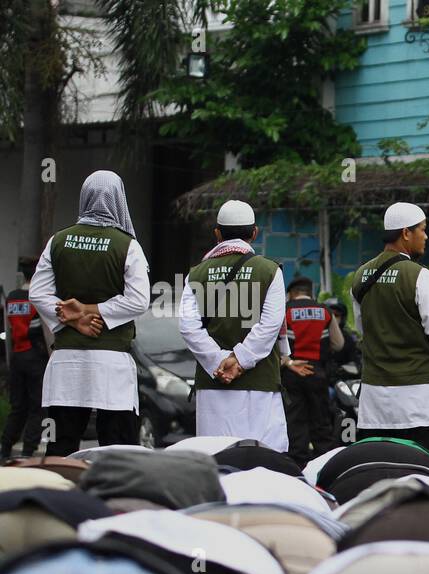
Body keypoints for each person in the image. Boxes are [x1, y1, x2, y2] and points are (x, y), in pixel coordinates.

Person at [28, 170, 150, 455]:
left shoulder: (58, 241)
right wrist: (93, 312)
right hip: (112, 365)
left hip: (67, 362)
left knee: (61, 448)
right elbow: (139, 301)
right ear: (120, 200)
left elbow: (38, 293)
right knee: (119, 449)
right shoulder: (128, 246)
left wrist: (75, 317)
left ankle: (58, 497)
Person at [178, 200, 289, 452]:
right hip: (259, 385)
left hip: (214, 387)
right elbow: (270, 325)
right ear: (254, 233)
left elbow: (188, 327)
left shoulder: (195, 274)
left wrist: (218, 361)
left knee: (217, 459)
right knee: (263, 459)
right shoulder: (270, 270)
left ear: (217, 233)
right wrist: (240, 360)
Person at [349, 202, 429, 456]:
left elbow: (363, 327)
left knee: (378, 470)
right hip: (417, 403)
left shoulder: (361, 275)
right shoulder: (421, 277)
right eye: (422, 230)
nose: (425, 236)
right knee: (421, 472)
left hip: (373, 403)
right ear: (406, 233)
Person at [281, 276, 344, 465]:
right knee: (321, 422)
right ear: (310, 292)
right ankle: (324, 465)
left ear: (292, 293)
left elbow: (274, 344)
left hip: (291, 373)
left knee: (294, 421)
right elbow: (339, 344)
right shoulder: (325, 312)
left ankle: (296, 466)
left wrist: (287, 362)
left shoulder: (285, 311)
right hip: (318, 373)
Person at [2, 257, 50, 458]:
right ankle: (28, 451)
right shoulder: (39, 298)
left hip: (17, 356)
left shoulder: (12, 297)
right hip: (36, 356)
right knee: (37, 407)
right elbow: (47, 332)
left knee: (17, 406)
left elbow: (8, 329)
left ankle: (5, 448)